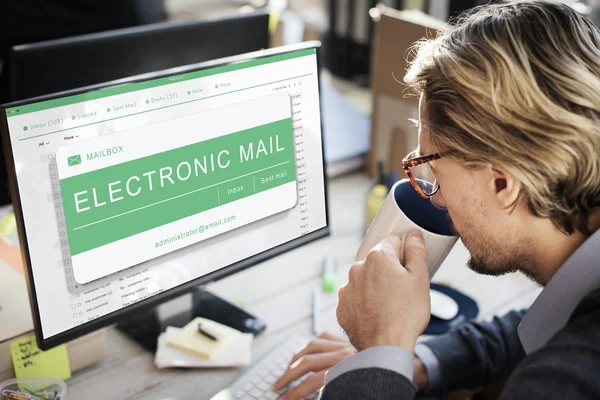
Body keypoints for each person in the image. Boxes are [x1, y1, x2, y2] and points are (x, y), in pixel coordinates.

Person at [273, 0, 600, 398]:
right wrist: (409, 362)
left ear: (503, 184)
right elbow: (539, 326)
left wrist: (381, 348)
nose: (436, 199)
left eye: (432, 169)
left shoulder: (567, 382)